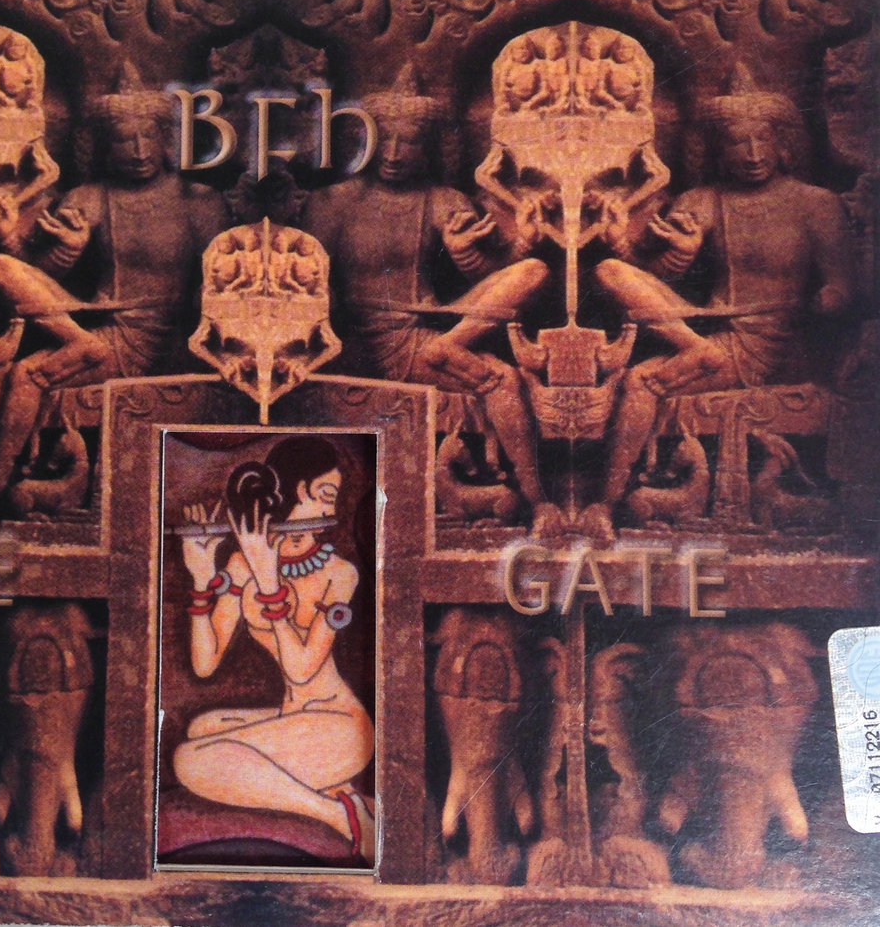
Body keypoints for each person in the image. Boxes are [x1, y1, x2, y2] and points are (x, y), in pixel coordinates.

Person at [586, 68, 855, 537]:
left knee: (643, 381)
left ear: (782, 144)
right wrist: (673, 252)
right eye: (736, 143)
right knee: (611, 271)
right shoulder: (704, 200)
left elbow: (844, 288)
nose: (751, 154)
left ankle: (604, 504)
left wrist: (828, 299)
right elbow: (662, 278)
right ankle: (697, 351)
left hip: (774, 342)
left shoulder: (815, 204)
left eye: (761, 140)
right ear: (717, 151)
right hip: (708, 334)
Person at [308, 67, 563, 536]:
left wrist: (475, 253)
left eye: (408, 143)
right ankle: (537, 499)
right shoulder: (334, 203)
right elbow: (311, 284)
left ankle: (539, 502)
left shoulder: (441, 201)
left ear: (427, 148)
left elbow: (487, 279)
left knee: (533, 272)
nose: (393, 153)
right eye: (384, 140)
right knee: (501, 378)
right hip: (359, 342)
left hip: (427, 333)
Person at [0, 63, 224, 519]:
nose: (138, 151)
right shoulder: (89, 199)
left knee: (27, 375)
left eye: (147, 137)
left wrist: (197, 342)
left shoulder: (199, 200)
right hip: (103, 332)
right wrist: (64, 251)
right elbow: (46, 281)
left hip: (171, 339)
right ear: (105, 147)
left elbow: (216, 285)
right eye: (125, 140)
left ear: (166, 139)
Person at [173, 436, 376, 864]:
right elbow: (206, 664)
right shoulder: (242, 563)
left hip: (340, 727)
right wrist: (201, 576)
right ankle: (328, 790)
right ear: (294, 492)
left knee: (189, 761)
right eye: (325, 495)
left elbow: (302, 669)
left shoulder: (340, 574)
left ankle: (340, 816)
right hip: (293, 719)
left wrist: (269, 581)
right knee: (200, 729)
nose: (330, 509)